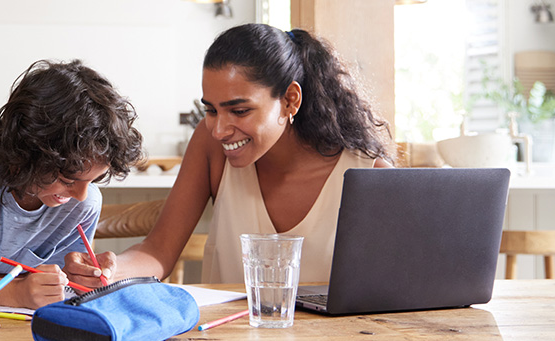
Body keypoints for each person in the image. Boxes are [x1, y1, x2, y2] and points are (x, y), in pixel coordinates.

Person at [64, 24, 395, 287]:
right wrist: (112, 268)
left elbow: (390, 291)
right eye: (210, 110)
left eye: (239, 110)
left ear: (290, 100)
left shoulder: (370, 175)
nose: (220, 129)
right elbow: (158, 252)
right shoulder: (210, 149)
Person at [0, 60, 144, 309]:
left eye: (94, 180)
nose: (81, 194)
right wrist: (16, 293)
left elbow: (53, 290)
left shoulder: (83, 204)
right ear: (26, 152)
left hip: (18, 328)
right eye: (68, 180)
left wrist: (74, 276)